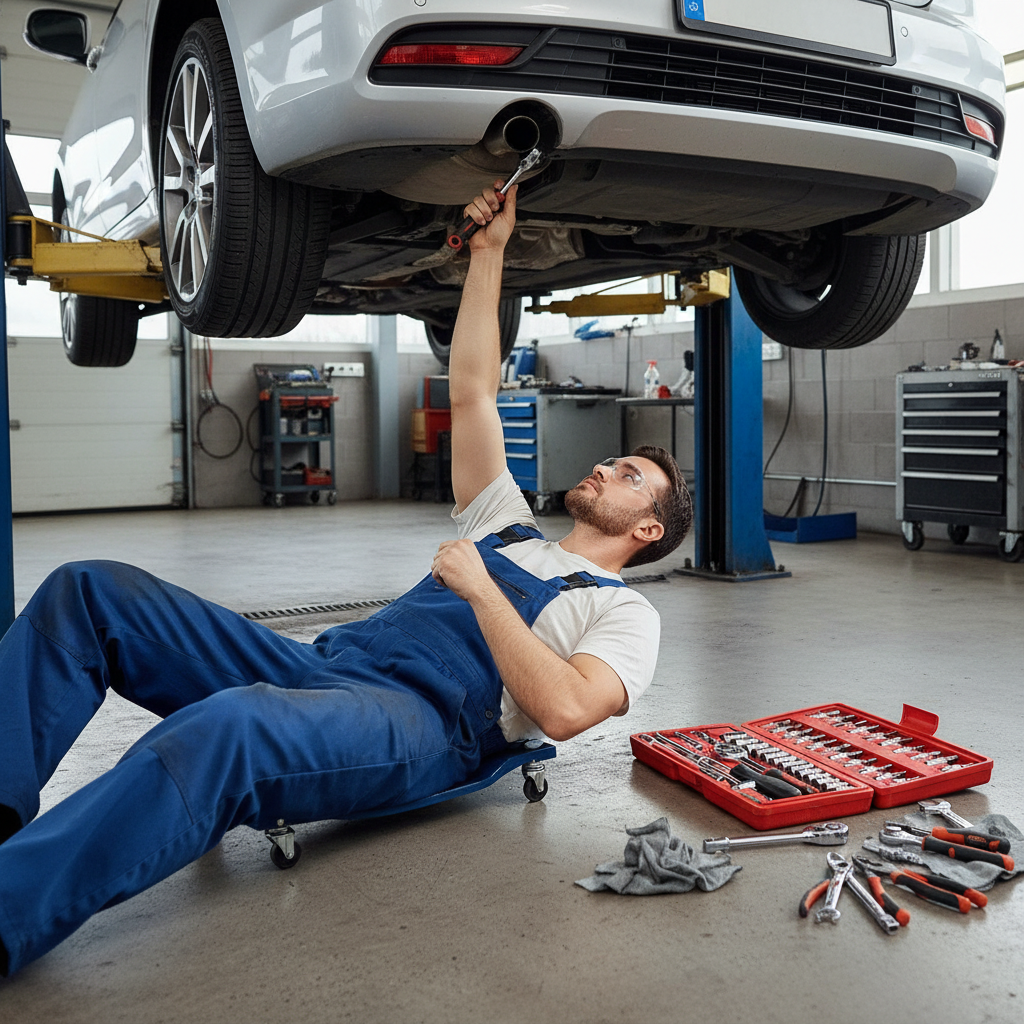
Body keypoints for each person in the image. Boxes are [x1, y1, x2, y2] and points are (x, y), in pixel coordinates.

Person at [0, 182, 691, 976]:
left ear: (647, 531)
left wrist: (481, 590)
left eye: (632, 475)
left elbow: (567, 712)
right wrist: (491, 253)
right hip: (327, 664)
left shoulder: (625, 611)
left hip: (419, 722)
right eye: (615, 459)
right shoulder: (503, 521)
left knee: (231, 730)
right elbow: (471, 390)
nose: (607, 464)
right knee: (89, 592)